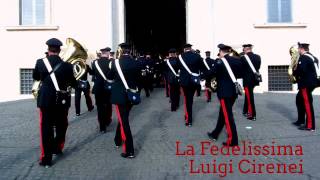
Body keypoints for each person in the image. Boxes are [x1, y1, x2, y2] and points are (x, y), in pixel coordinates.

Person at [33, 38, 77, 167]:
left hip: (46, 100)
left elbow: (36, 77)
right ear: (59, 50)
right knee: (61, 125)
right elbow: (73, 83)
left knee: (46, 128)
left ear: (48, 49)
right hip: (61, 100)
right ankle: (57, 148)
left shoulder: (40, 62)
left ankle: (47, 159)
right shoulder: (68, 65)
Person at [107, 43, 142, 158]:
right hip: (131, 95)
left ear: (121, 51)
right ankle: (117, 139)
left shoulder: (114, 63)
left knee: (124, 122)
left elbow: (110, 77)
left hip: (120, 96)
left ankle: (129, 150)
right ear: (130, 51)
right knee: (123, 118)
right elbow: (139, 79)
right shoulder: (136, 62)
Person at [207, 44, 243, 146]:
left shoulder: (219, 61)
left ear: (221, 51)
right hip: (233, 92)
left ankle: (233, 140)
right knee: (223, 113)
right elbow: (240, 74)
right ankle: (215, 133)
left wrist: (203, 77)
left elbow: (210, 73)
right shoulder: (237, 60)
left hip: (224, 93)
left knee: (228, 116)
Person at [292, 42, 319, 131]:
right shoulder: (313, 57)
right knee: (299, 99)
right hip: (313, 82)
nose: (298, 50)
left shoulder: (303, 57)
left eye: (299, 49)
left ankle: (310, 126)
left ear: (302, 49)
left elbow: (301, 71)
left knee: (307, 103)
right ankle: (301, 120)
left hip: (306, 84)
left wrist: (294, 72)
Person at [178, 44, 204, 127]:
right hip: (194, 81)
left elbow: (178, 68)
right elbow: (202, 67)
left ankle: (188, 119)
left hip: (185, 81)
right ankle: (189, 118)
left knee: (187, 99)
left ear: (185, 49)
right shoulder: (197, 56)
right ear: (190, 48)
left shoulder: (180, 57)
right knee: (190, 98)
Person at [91, 47, 113, 133]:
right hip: (108, 87)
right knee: (108, 105)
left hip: (98, 88)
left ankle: (102, 127)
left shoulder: (95, 63)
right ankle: (107, 121)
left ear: (101, 53)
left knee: (100, 107)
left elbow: (93, 73)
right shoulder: (111, 62)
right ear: (107, 53)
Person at [240, 44, 261, 120]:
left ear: (245, 49)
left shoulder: (243, 58)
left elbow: (241, 70)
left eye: (244, 49)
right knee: (248, 95)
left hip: (247, 80)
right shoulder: (258, 57)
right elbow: (258, 67)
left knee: (250, 97)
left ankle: (252, 115)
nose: (243, 51)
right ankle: (245, 110)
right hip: (254, 80)